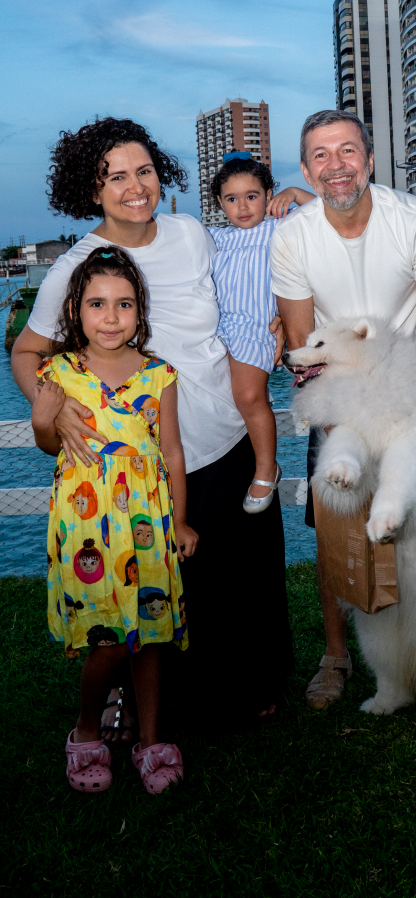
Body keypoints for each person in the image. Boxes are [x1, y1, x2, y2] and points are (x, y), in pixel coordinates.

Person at [11, 117, 293, 727]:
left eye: (144, 171)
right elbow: (26, 352)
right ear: (93, 190)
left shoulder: (192, 232)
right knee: (162, 588)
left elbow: (249, 270)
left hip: (228, 436)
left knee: (242, 584)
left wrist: (275, 315)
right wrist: (57, 412)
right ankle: (144, 704)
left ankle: (254, 686)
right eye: (117, 176)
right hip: (143, 462)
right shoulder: (78, 265)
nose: (135, 186)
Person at [269, 109, 416, 710]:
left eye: (347, 151)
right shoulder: (293, 236)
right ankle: (336, 655)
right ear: (305, 169)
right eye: (320, 155)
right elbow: (302, 343)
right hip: (341, 399)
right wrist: (336, 425)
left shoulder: (414, 219)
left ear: (370, 159)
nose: (335, 165)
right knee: (336, 530)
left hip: (412, 394)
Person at [32, 245, 195, 793]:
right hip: (87, 527)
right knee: (105, 641)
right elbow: (48, 443)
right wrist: (41, 415)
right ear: (76, 308)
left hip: (148, 521)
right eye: (97, 303)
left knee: (149, 636)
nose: (110, 317)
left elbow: (171, 452)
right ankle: (85, 729)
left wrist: (183, 522)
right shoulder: (59, 372)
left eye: (123, 305)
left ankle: (151, 740)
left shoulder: (159, 375)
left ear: (140, 311)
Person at [208, 153, 290, 512]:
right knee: (221, 401)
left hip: (256, 327)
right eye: (231, 198)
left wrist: (295, 195)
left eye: (252, 196)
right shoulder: (215, 238)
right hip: (219, 329)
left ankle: (266, 469)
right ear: (220, 203)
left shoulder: (280, 227)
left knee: (248, 396)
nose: (242, 206)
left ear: (268, 195)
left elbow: (326, 214)